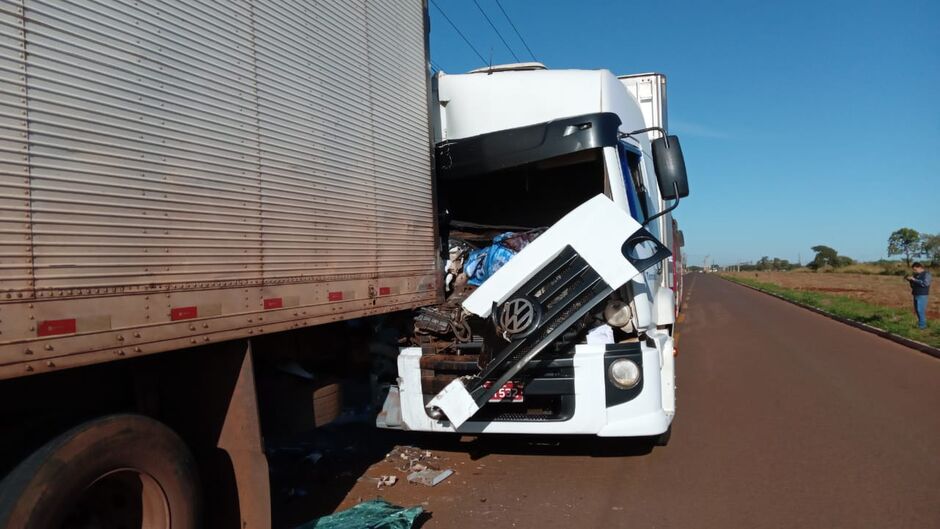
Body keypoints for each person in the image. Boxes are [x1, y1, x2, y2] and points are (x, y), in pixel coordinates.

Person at [905, 262, 932, 329]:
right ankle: (921, 324)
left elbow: (925, 284)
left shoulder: (927, 274)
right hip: (915, 294)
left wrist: (914, 280)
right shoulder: (916, 275)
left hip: (922, 295)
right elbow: (913, 286)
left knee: (920, 310)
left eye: (915, 269)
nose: (914, 271)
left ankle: (922, 326)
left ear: (920, 267)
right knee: (917, 310)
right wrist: (910, 281)